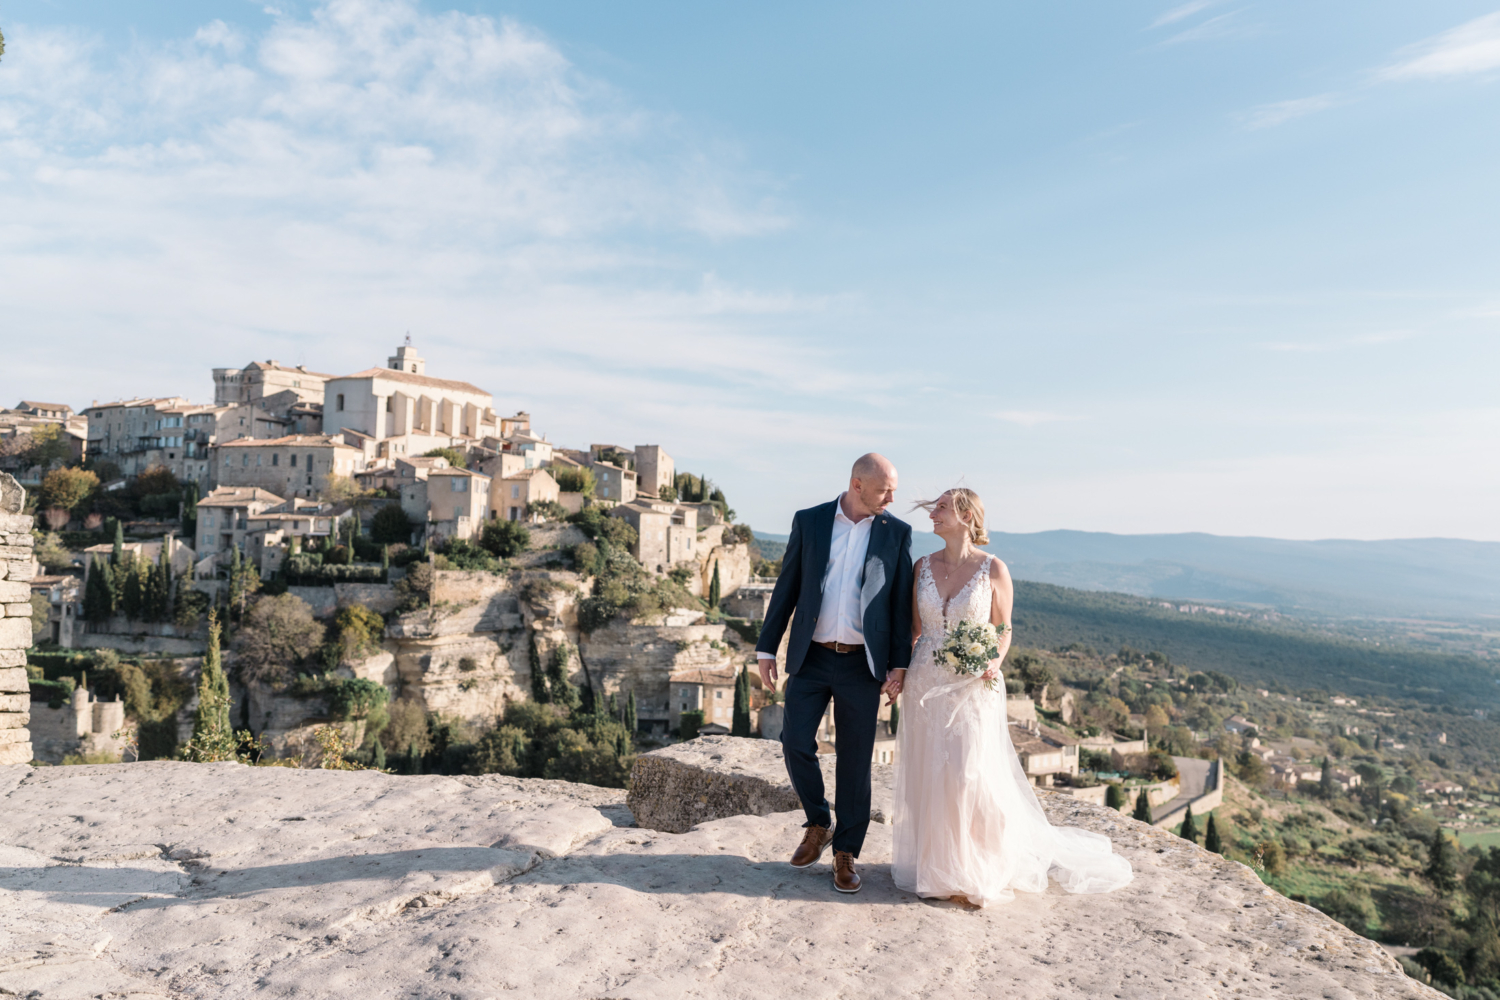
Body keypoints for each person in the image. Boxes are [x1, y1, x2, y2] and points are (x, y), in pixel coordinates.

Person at [892, 488, 1133, 907]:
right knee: (929, 775)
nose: (934, 512)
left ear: (966, 515)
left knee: (969, 774)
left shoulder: (993, 569)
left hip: (972, 686)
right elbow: (915, 629)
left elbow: (1003, 630)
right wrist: (898, 671)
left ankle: (981, 865)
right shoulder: (921, 568)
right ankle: (940, 868)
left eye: (943, 507)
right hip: (926, 684)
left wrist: (994, 662)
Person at [755, 453, 914, 893]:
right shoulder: (809, 521)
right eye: (886, 489)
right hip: (812, 656)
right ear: (858, 484)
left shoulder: (896, 532)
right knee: (794, 743)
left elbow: (901, 606)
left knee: (855, 760)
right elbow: (786, 586)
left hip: (864, 663)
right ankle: (818, 822)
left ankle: (846, 852)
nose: (892, 497)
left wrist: (899, 663)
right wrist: (767, 647)